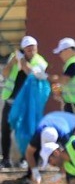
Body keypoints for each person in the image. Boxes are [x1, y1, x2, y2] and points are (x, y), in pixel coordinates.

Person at [1, 36, 48, 166]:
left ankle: (25, 159)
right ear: (23, 49)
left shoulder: (40, 61)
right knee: (6, 129)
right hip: (11, 100)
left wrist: (22, 61)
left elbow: (31, 73)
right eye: (27, 47)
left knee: (26, 131)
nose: (30, 49)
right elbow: (4, 73)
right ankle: (5, 160)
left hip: (28, 103)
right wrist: (12, 62)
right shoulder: (15, 58)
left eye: (33, 47)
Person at [26, 108, 75, 183]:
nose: (50, 164)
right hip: (53, 117)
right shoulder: (38, 133)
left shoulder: (65, 137)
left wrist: (59, 175)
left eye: (49, 160)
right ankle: (30, 177)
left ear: (56, 151)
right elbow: (29, 152)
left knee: (70, 156)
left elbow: (69, 157)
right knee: (34, 150)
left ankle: (72, 180)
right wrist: (35, 172)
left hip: (72, 121)